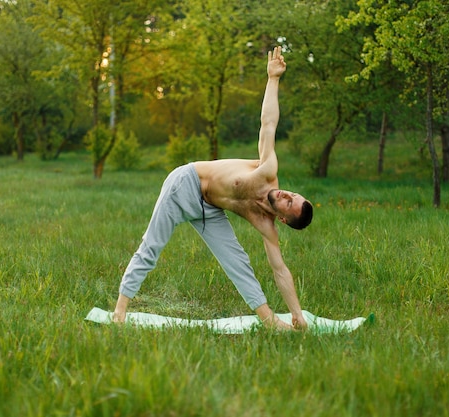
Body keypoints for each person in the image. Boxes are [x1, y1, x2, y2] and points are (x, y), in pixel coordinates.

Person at [113, 46, 313, 330]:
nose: (286, 195)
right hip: (185, 184)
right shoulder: (267, 170)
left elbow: (280, 270)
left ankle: (268, 320)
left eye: (289, 203)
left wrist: (297, 314)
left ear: (283, 218)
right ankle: (120, 310)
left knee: (237, 260)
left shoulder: (266, 224)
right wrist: (273, 79)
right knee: (152, 246)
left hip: (209, 209)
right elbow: (268, 123)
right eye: (292, 194)